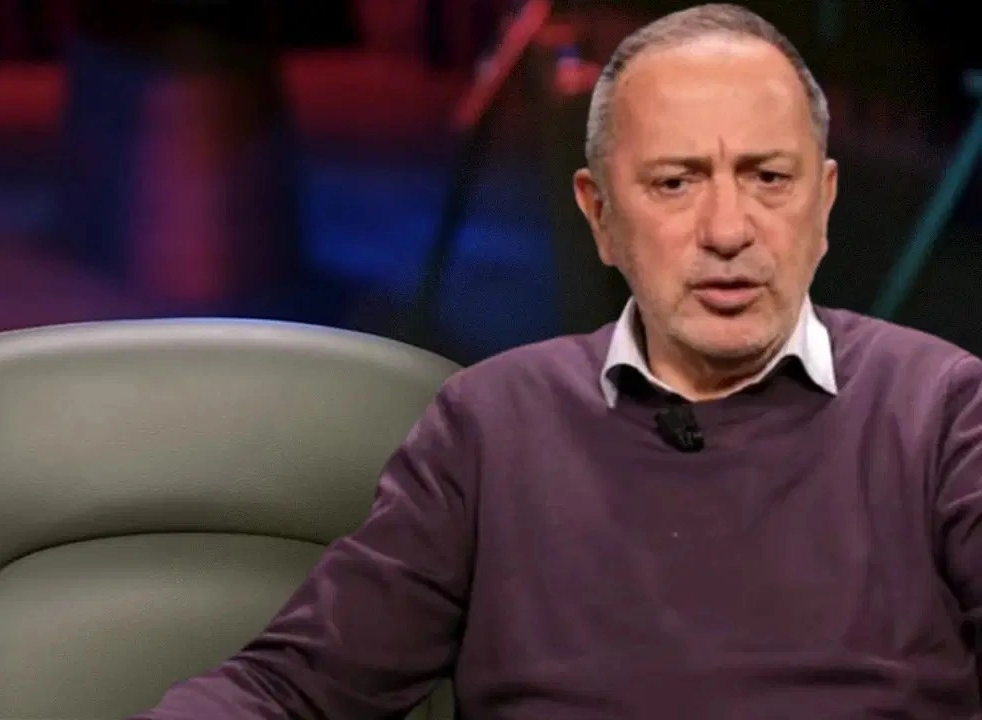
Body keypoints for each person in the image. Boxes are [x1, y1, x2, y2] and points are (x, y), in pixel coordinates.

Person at [132, 4, 982, 717]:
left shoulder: (944, 412)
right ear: (600, 214)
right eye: (676, 182)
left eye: (768, 178)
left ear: (823, 204)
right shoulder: (492, 426)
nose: (728, 230)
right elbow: (289, 691)